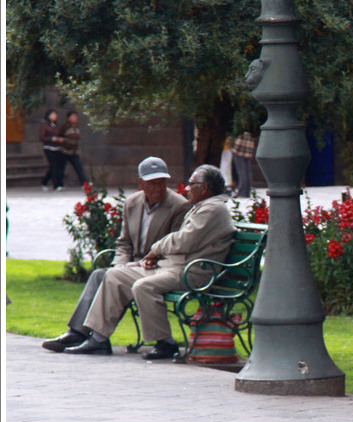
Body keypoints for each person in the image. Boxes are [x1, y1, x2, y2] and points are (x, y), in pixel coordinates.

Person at [63, 164, 235, 360]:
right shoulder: (204, 207)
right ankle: (99, 340)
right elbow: (131, 241)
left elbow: (184, 240)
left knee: (144, 286)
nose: (186, 188)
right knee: (114, 275)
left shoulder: (213, 210)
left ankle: (165, 343)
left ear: (204, 188)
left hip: (192, 271)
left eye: (191, 184)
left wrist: (156, 249)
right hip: (174, 267)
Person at [42, 157, 190, 353]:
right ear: (141, 184)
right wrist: (120, 263)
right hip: (133, 266)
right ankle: (77, 333)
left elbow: (174, 247)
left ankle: (97, 339)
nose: (159, 188)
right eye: (153, 183)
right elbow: (124, 243)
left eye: (162, 182)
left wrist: (139, 265)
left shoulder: (179, 206)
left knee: (113, 278)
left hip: (157, 267)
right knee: (99, 275)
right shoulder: (132, 203)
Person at [58, 111, 88, 186]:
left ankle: (84, 183)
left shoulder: (76, 127)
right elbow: (59, 137)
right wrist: (64, 143)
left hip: (74, 151)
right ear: (68, 118)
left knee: (79, 167)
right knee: (61, 168)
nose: (75, 118)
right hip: (64, 151)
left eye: (76, 117)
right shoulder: (65, 127)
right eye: (73, 117)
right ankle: (58, 184)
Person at [39, 109, 65, 191]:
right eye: (53, 114)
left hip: (57, 147)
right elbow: (42, 137)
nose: (55, 116)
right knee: (53, 165)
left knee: (56, 166)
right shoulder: (44, 126)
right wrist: (52, 139)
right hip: (48, 147)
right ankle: (56, 185)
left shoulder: (56, 126)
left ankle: (44, 181)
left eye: (55, 114)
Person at [231, 131, 257, 198]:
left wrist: (233, 147)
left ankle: (241, 192)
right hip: (249, 148)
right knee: (247, 172)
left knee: (242, 172)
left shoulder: (243, 124)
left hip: (240, 148)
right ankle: (246, 192)